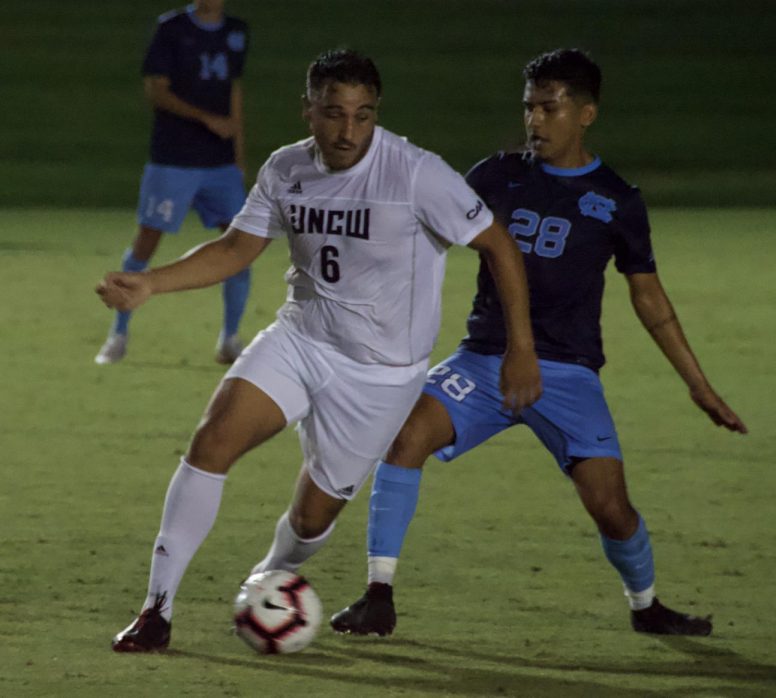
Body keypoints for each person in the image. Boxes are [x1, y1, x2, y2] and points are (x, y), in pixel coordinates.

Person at [98, 49, 542, 653]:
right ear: (309, 111)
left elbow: (499, 245)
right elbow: (236, 247)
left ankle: (269, 573)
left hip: (380, 377)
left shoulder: (415, 173)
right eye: (334, 114)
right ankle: (157, 609)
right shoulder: (286, 169)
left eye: (363, 115)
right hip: (301, 340)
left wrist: (521, 346)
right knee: (212, 440)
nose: (349, 131)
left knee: (312, 519)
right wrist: (152, 283)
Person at [330, 48, 748, 638]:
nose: (534, 120)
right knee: (404, 437)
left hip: (570, 374)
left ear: (586, 114)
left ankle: (646, 605)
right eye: (529, 107)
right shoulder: (495, 176)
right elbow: (419, 235)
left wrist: (699, 387)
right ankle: (378, 594)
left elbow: (649, 298)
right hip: (482, 362)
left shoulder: (616, 199)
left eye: (549, 108)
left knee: (611, 509)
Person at [95, 0, 251, 365]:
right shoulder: (172, 28)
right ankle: (118, 333)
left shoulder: (237, 32)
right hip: (174, 159)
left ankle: (230, 338)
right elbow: (157, 91)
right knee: (147, 241)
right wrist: (207, 119)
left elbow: (234, 91)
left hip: (220, 163)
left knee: (242, 244)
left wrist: (238, 152)